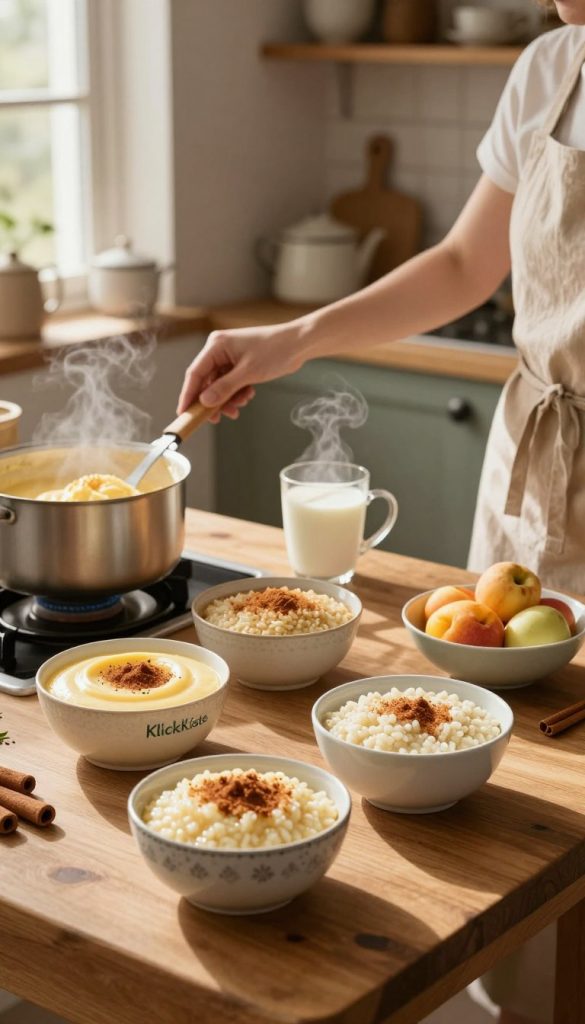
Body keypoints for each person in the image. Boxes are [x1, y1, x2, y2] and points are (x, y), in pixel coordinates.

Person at [178, 5, 585, 1021]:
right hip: (540, 478)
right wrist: (294, 338)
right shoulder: (548, 68)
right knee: (515, 806)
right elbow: (461, 265)